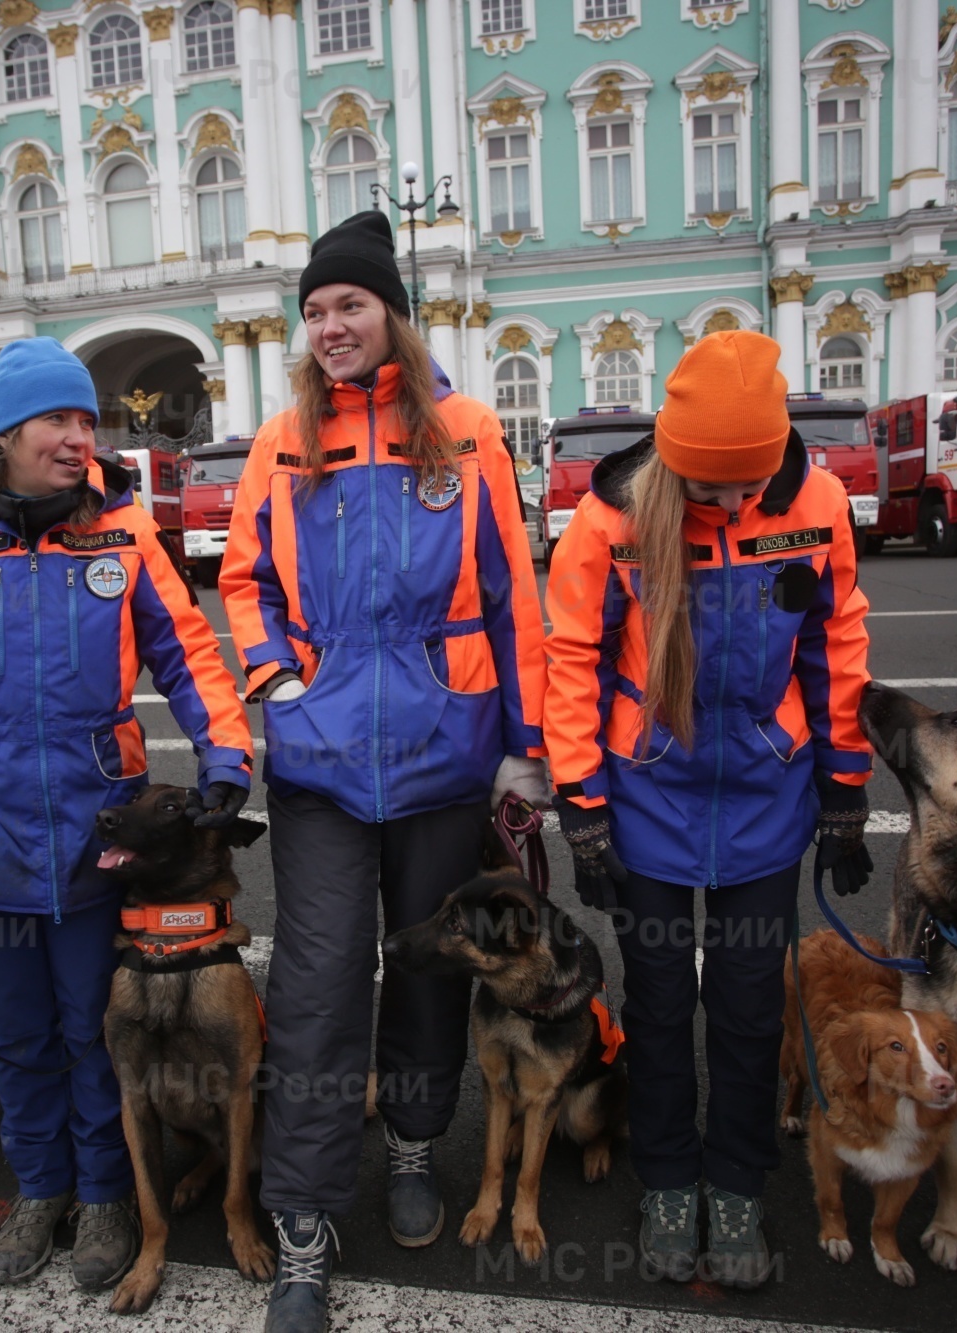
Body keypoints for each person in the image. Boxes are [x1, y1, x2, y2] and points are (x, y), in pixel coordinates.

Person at [0, 337, 254, 1291]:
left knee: (94, 1028)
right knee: (18, 1034)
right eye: (58, 421)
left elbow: (190, 653)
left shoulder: (121, 531)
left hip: (96, 838)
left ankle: (107, 1193)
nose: (81, 438)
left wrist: (228, 754)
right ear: (5, 433)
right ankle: (41, 1187)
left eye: (87, 420)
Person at [219, 211, 548, 1333]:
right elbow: (243, 577)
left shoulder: (463, 430)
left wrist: (527, 746)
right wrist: (272, 678)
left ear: (391, 314)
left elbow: (511, 588)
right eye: (313, 312)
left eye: (348, 305)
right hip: (316, 765)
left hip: (443, 756)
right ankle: (302, 1219)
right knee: (314, 987)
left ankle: (412, 1147)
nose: (329, 327)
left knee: (426, 969)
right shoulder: (279, 438)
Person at [543, 331, 874, 1291]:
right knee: (654, 1004)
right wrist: (582, 805)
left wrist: (846, 785)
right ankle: (668, 1179)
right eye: (707, 489)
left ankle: (734, 1183)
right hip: (646, 798)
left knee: (742, 1006)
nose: (729, 506)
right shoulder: (608, 521)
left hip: (768, 798)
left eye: (746, 487)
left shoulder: (817, 505)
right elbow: (571, 661)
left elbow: (836, 639)